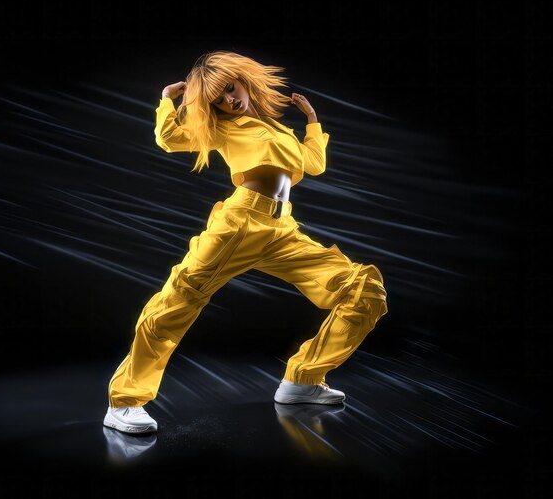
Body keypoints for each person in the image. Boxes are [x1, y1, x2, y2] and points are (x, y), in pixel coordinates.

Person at [103, 51, 388, 434]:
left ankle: (302, 379)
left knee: (365, 290)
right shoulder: (221, 127)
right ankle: (125, 401)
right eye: (218, 98)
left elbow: (313, 163)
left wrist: (312, 122)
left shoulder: (277, 129)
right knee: (176, 303)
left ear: (244, 81)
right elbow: (169, 138)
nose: (229, 101)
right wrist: (166, 99)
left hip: (281, 229)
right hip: (238, 225)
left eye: (231, 90)